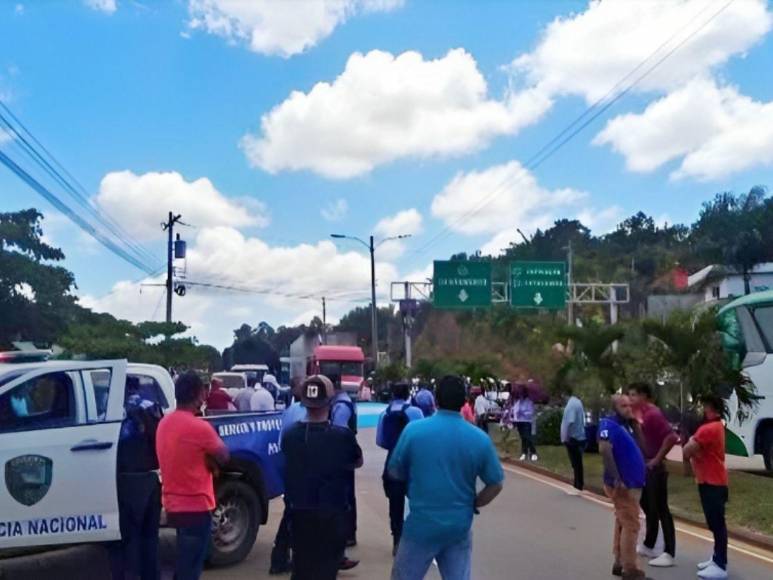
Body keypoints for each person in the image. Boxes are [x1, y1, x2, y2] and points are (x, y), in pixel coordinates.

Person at [388, 375, 504, 580]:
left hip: (420, 525)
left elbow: (395, 471)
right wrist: (475, 502)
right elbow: (495, 484)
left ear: (436, 399)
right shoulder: (479, 439)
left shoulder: (414, 431)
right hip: (458, 526)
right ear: (464, 401)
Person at [282, 375, 363, 580]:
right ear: (329, 401)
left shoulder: (291, 434)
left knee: (301, 568)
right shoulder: (342, 436)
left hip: (299, 512)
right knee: (326, 570)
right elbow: (357, 460)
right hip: (331, 514)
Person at [156, 371, 230, 580]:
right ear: (198, 395)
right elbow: (224, 456)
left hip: (172, 505)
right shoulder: (200, 428)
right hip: (196, 506)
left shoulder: (164, 424)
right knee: (191, 567)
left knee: (183, 562)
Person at [111, 376, 163, 580]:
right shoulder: (151, 406)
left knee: (128, 538)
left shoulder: (112, 409)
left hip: (124, 479)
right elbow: (160, 437)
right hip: (150, 477)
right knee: (150, 537)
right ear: (136, 387)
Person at [628, 383, 678, 568]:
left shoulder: (653, 414)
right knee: (648, 507)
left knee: (661, 509)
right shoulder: (639, 415)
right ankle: (649, 544)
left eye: (633, 395)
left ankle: (669, 552)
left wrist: (657, 459)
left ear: (644, 396)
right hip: (644, 468)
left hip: (655, 469)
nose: (630, 399)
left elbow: (671, 437)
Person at [598, 395, 648, 580]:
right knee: (631, 525)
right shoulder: (608, 425)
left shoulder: (626, 425)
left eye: (629, 405)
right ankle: (630, 568)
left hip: (633, 482)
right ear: (614, 407)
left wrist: (636, 426)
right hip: (624, 484)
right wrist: (617, 477)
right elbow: (604, 449)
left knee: (623, 522)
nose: (628, 408)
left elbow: (642, 448)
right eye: (623, 406)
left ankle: (619, 561)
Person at [683, 395, 729, 580]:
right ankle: (717, 558)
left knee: (717, 524)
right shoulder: (715, 426)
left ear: (711, 407)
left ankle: (720, 565)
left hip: (713, 482)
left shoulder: (708, 429)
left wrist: (691, 440)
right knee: (714, 523)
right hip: (708, 480)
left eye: (703, 406)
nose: (700, 410)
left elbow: (687, 451)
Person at [376, 381, 424, 555]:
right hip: (414, 462)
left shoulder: (385, 414)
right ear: (407, 395)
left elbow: (380, 441)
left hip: (393, 461)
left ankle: (397, 539)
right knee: (417, 502)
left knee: (395, 504)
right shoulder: (416, 412)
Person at [269, 380, 308, 575]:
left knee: (291, 514)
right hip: (303, 471)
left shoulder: (291, 410)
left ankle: (280, 557)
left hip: (291, 468)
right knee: (299, 516)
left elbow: (281, 441)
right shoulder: (306, 414)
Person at [328, 375, 359, 562]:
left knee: (345, 496)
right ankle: (349, 533)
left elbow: (338, 432)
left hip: (342, 457)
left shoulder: (340, 406)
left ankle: (348, 534)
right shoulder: (343, 402)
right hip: (345, 455)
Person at [560, 386, 586, 493]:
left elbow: (570, 422)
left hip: (573, 437)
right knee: (577, 462)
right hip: (579, 436)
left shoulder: (571, 405)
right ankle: (578, 483)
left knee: (576, 462)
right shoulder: (577, 402)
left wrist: (565, 437)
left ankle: (578, 485)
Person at [513, 387, 538, 461]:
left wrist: (523, 412)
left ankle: (533, 452)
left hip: (527, 421)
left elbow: (530, 412)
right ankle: (524, 453)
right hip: (519, 421)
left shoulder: (529, 402)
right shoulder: (518, 401)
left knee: (527, 437)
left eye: (521, 393)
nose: (520, 395)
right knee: (523, 438)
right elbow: (515, 410)